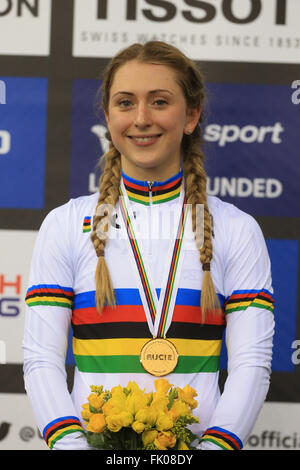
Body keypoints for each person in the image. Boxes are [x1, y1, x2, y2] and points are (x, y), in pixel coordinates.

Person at [23, 41, 274, 451]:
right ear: (108, 116)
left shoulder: (236, 229)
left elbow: (251, 364)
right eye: (125, 103)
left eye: (159, 101)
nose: (141, 119)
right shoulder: (67, 224)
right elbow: (41, 360)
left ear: (191, 115)